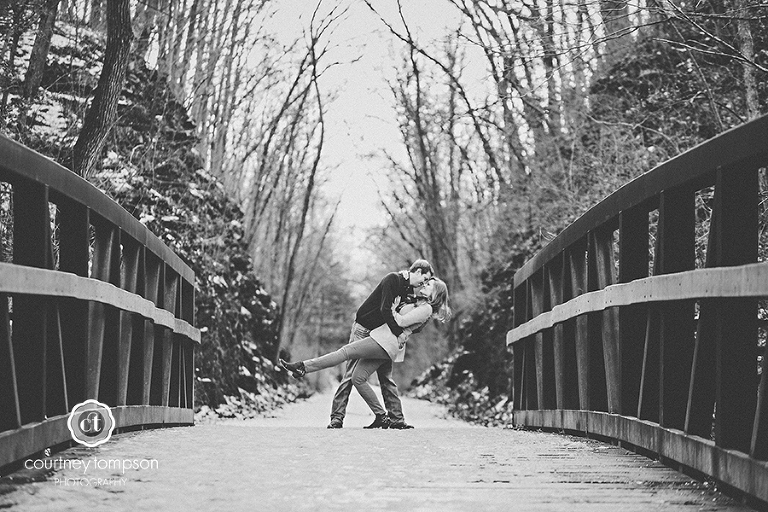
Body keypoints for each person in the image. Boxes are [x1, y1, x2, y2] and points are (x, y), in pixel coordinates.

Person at [280, 278, 450, 429]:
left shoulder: (427, 308)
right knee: (358, 378)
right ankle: (381, 416)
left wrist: (391, 308)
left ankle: (303, 367)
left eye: (429, 284)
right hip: (384, 342)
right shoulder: (418, 303)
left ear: (435, 293)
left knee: (345, 352)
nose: (425, 285)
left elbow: (401, 321)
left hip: (384, 342)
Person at [322, 260, 434, 430]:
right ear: (417, 271)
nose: (423, 284)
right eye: (424, 279)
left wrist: (407, 331)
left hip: (382, 335)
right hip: (363, 329)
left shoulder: (410, 292)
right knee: (351, 374)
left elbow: (412, 319)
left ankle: (396, 419)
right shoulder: (393, 279)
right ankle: (337, 417)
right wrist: (399, 333)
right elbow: (385, 309)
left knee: (385, 376)